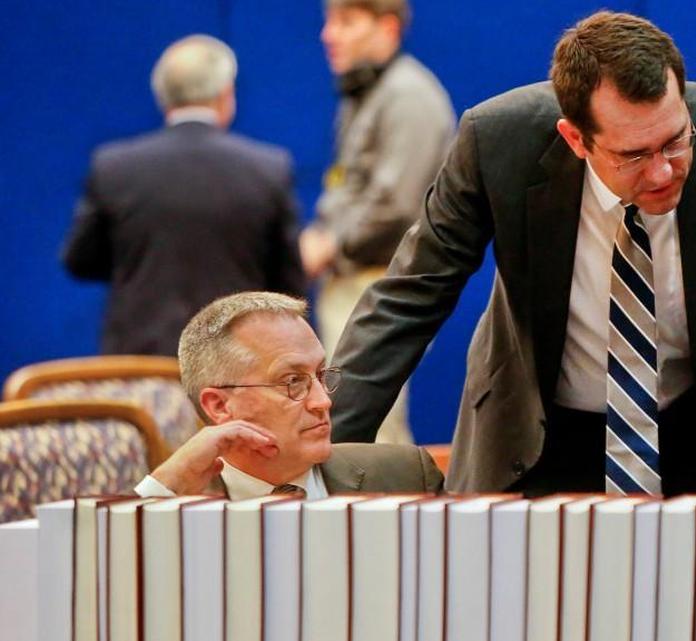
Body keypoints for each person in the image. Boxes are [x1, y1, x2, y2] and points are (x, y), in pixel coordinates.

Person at [331, 11, 696, 495]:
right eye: (633, 154)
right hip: (534, 436)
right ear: (576, 138)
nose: (663, 171)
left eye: (676, 140)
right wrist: (318, 450)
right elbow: (409, 298)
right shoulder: (497, 143)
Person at [62, 35, 306, 357]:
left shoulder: (113, 167)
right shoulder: (269, 169)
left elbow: (80, 260)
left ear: (163, 98)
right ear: (225, 95)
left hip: (138, 366)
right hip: (234, 364)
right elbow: (288, 281)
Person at [300, 0, 456, 444]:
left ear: (387, 28)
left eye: (346, 22)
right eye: (329, 22)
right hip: (357, 281)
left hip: (380, 285)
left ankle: (383, 516)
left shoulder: (407, 94)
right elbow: (352, 187)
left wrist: (330, 244)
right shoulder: (368, 93)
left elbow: (397, 204)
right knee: (355, 427)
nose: (328, 35)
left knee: (367, 431)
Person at [134, 291, 443, 499]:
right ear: (220, 405)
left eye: (321, 376)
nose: (324, 401)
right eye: (293, 381)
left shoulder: (406, 477)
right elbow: (98, 583)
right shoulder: (173, 506)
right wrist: (161, 491)